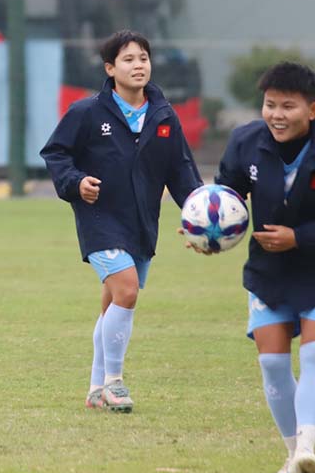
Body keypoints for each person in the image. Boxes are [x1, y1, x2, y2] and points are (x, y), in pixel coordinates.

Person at [207, 61, 315, 473]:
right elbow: (227, 196)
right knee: (272, 364)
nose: (277, 115)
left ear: (313, 110)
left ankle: (306, 447)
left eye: (288, 106)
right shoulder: (245, 142)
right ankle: (292, 456)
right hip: (270, 271)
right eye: (270, 105)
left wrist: (299, 237)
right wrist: (207, 230)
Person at [40, 29, 202, 413]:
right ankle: (114, 382)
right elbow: (56, 154)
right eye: (128, 59)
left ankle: (95, 389)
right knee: (127, 291)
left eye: (143, 58)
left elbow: (181, 171)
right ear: (110, 68)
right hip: (99, 218)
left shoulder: (164, 116)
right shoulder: (87, 112)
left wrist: (197, 215)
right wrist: (77, 183)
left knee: (115, 300)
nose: (138, 65)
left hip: (141, 221)